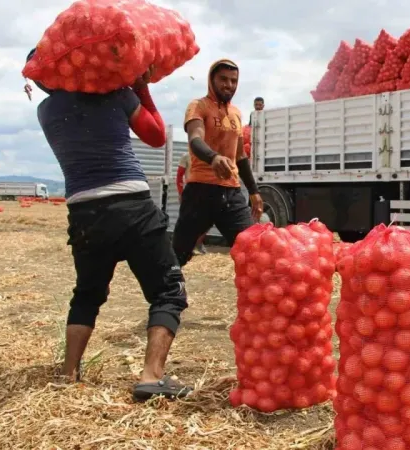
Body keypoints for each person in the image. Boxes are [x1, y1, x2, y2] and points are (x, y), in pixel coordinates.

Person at [28, 49, 191, 401]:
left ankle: (68, 374)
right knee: (168, 291)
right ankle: (151, 376)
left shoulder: (46, 110)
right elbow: (156, 135)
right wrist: (140, 86)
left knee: (87, 294)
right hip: (132, 206)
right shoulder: (115, 91)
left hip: (84, 213)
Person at [172, 59, 263, 266]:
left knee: (251, 252)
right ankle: (169, 297)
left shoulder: (237, 114)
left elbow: (240, 156)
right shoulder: (198, 106)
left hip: (231, 192)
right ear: (211, 79)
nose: (228, 85)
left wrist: (254, 191)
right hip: (200, 192)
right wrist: (213, 157)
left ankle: (252, 297)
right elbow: (195, 139)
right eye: (223, 79)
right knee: (177, 256)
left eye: (233, 81)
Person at [175, 153, 207, 255]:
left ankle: (198, 243)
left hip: (207, 190)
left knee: (206, 219)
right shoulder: (187, 156)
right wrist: (180, 192)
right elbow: (179, 175)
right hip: (191, 190)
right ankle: (186, 246)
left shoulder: (209, 155)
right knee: (187, 219)